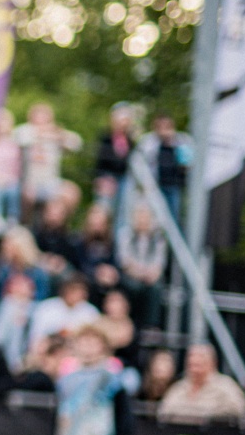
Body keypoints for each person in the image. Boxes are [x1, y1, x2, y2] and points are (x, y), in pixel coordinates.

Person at [13, 103, 82, 219]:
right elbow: (17, 136)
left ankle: (60, 224)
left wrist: (59, 135)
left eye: (45, 117)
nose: (42, 120)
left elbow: (77, 144)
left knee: (72, 193)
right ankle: (24, 224)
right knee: (27, 195)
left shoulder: (56, 135)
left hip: (51, 183)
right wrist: (43, 133)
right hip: (30, 182)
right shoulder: (26, 131)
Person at [157, 344, 245, 425]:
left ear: (212, 363)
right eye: (192, 364)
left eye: (199, 363)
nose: (194, 368)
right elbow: (163, 413)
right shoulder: (178, 388)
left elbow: (239, 411)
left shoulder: (226, 386)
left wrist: (207, 417)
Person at [115, 201, 167, 329]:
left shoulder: (158, 237)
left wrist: (152, 273)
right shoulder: (125, 234)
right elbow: (124, 261)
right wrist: (140, 273)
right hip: (131, 274)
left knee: (156, 287)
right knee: (133, 287)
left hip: (150, 275)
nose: (142, 220)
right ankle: (131, 321)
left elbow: (159, 262)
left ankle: (151, 325)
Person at [137, 114, 192, 226]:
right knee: (153, 217)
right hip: (154, 186)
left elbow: (188, 162)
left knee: (173, 216)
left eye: (167, 127)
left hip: (174, 185)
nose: (164, 131)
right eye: (161, 127)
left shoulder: (181, 141)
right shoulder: (148, 142)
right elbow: (140, 163)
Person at [28, 274, 99, 351]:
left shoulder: (90, 311)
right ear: (64, 290)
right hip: (49, 349)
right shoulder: (46, 307)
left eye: (81, 291)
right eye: (73, 290)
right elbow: (36, 336)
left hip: (78, 351)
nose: (77, 294)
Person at [0, 224, 49, 310]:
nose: (4, 247)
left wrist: (24, 296)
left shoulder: (38, 274)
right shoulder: (3, 271)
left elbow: (41, 301)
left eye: (8, 244)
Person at [0, 271, 37, 373]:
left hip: (29, 358)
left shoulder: (35, 309)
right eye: (18, 285)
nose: (22, 289)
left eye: (26, 285)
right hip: (5, 359)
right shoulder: (7, 305)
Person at [92, 102, 135, 214]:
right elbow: (100, 161)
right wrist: (102, 178)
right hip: (107, 177)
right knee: (104, 209)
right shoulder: (106, 138)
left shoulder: (130, 140)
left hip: (123, 179)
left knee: (123, 210)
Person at [76, 203, 120, 302]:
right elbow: (79, 264)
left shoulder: (111, 242)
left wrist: (111, 272)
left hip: (108, 277)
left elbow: (115, 262)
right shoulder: (79, 241)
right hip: (87, 277)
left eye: (101, 224)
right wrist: (97, 272)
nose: (97, 227)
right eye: (94, 224)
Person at [33, 195, 81, 278]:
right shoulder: (35, 234)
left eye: (58, 214)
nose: (54, 217)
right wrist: (45, 259)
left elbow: (75, 263)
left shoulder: (70, 239)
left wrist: (61, 263)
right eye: (51, 213)